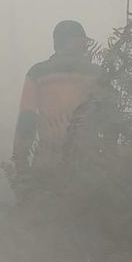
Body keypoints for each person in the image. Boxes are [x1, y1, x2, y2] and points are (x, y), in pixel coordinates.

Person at [12, 20, 101, 175]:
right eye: (83, 41)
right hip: (87, 166)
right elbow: (110, 118)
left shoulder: (37, 73)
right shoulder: (96, 74)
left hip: (47, 163)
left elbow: (27, 120)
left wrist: (20, 164)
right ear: (77, 42)